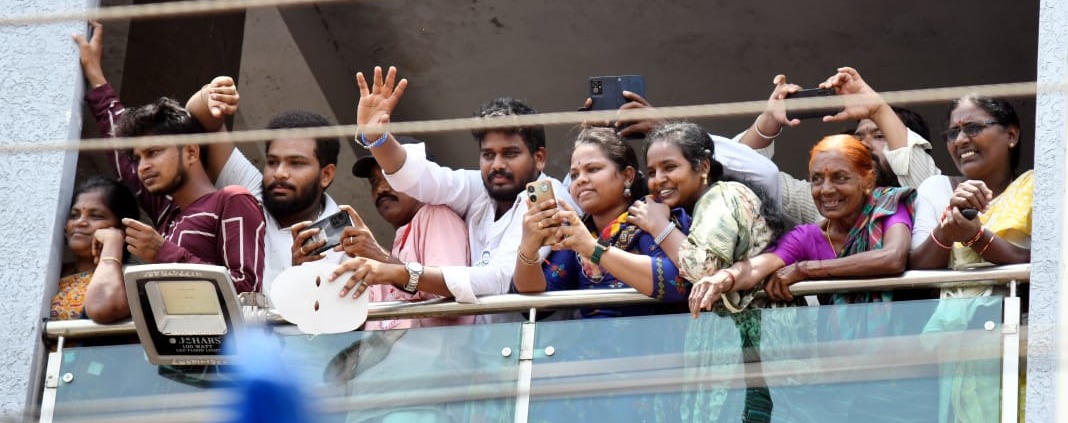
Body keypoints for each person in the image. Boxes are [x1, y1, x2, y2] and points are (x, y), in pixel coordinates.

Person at [329, 66, 577, 318]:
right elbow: (422, 179)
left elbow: (501, 278)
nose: (497, 164)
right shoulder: (481, 189)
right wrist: (378, 139)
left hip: (539, 350)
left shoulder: (550, 198)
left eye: (510, 154)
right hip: (484, 348)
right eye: (488, 155)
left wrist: (401, 273)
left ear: (539, 158)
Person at [76, 25, 266, 292]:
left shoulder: (231, 201)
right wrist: (95, 75)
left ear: (190, 151)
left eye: (153, 152)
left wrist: (163, 251)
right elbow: (121, 153)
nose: (143, 167)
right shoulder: (168, 212)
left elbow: (247, 290)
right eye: (138, 157)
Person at [909, 95, 1032, 423]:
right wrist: (949, 231)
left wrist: (975, 236)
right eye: (953, 132)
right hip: (957, 350)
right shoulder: (938, 188)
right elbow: (918, 267)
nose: (961, 139)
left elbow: (1043, 264)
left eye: (974, 127)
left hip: (1021, 344)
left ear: (1012, 135)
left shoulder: (1037, 187)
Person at [184, 81, 349, 295]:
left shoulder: (344, 235)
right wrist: (210, 96)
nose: (279, 173)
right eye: (272, 162)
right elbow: (200, 119)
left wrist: (298, 272)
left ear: (326, 175)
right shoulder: (251, 192)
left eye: (296, 163)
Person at [513, 127, 689, 318]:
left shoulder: (652, 217)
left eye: (593, 169)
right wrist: (528, 249)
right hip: (589, 346)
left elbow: (678, 283)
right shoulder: (580, 233)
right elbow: (534, 306)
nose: (581, 180)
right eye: (574, 175)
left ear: (627, 176)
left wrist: (593, 249)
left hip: (657, 346)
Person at [734, 67, 939, 225]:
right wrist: (769, 119)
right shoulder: (826, 196)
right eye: (858, 136)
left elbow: (922, 176)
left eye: (879, 135)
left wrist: (878, 110)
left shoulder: (923, 198)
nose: (864, 144)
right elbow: (741, 172)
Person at [347, 136, 473, 329]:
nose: (381, 189)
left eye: (389, 176)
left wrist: (380, 257)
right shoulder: (399, 240)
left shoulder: (436, 215)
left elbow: (450, 291)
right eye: (374, 182)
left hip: (437, 357)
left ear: (422, 178)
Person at [52, 177, 139, 323]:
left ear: (123, 228)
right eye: (74, 215)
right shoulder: (52, 274)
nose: (80, 222)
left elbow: (102, 309)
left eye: (96, 216)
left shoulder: (129, 279)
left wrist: (113, 242)